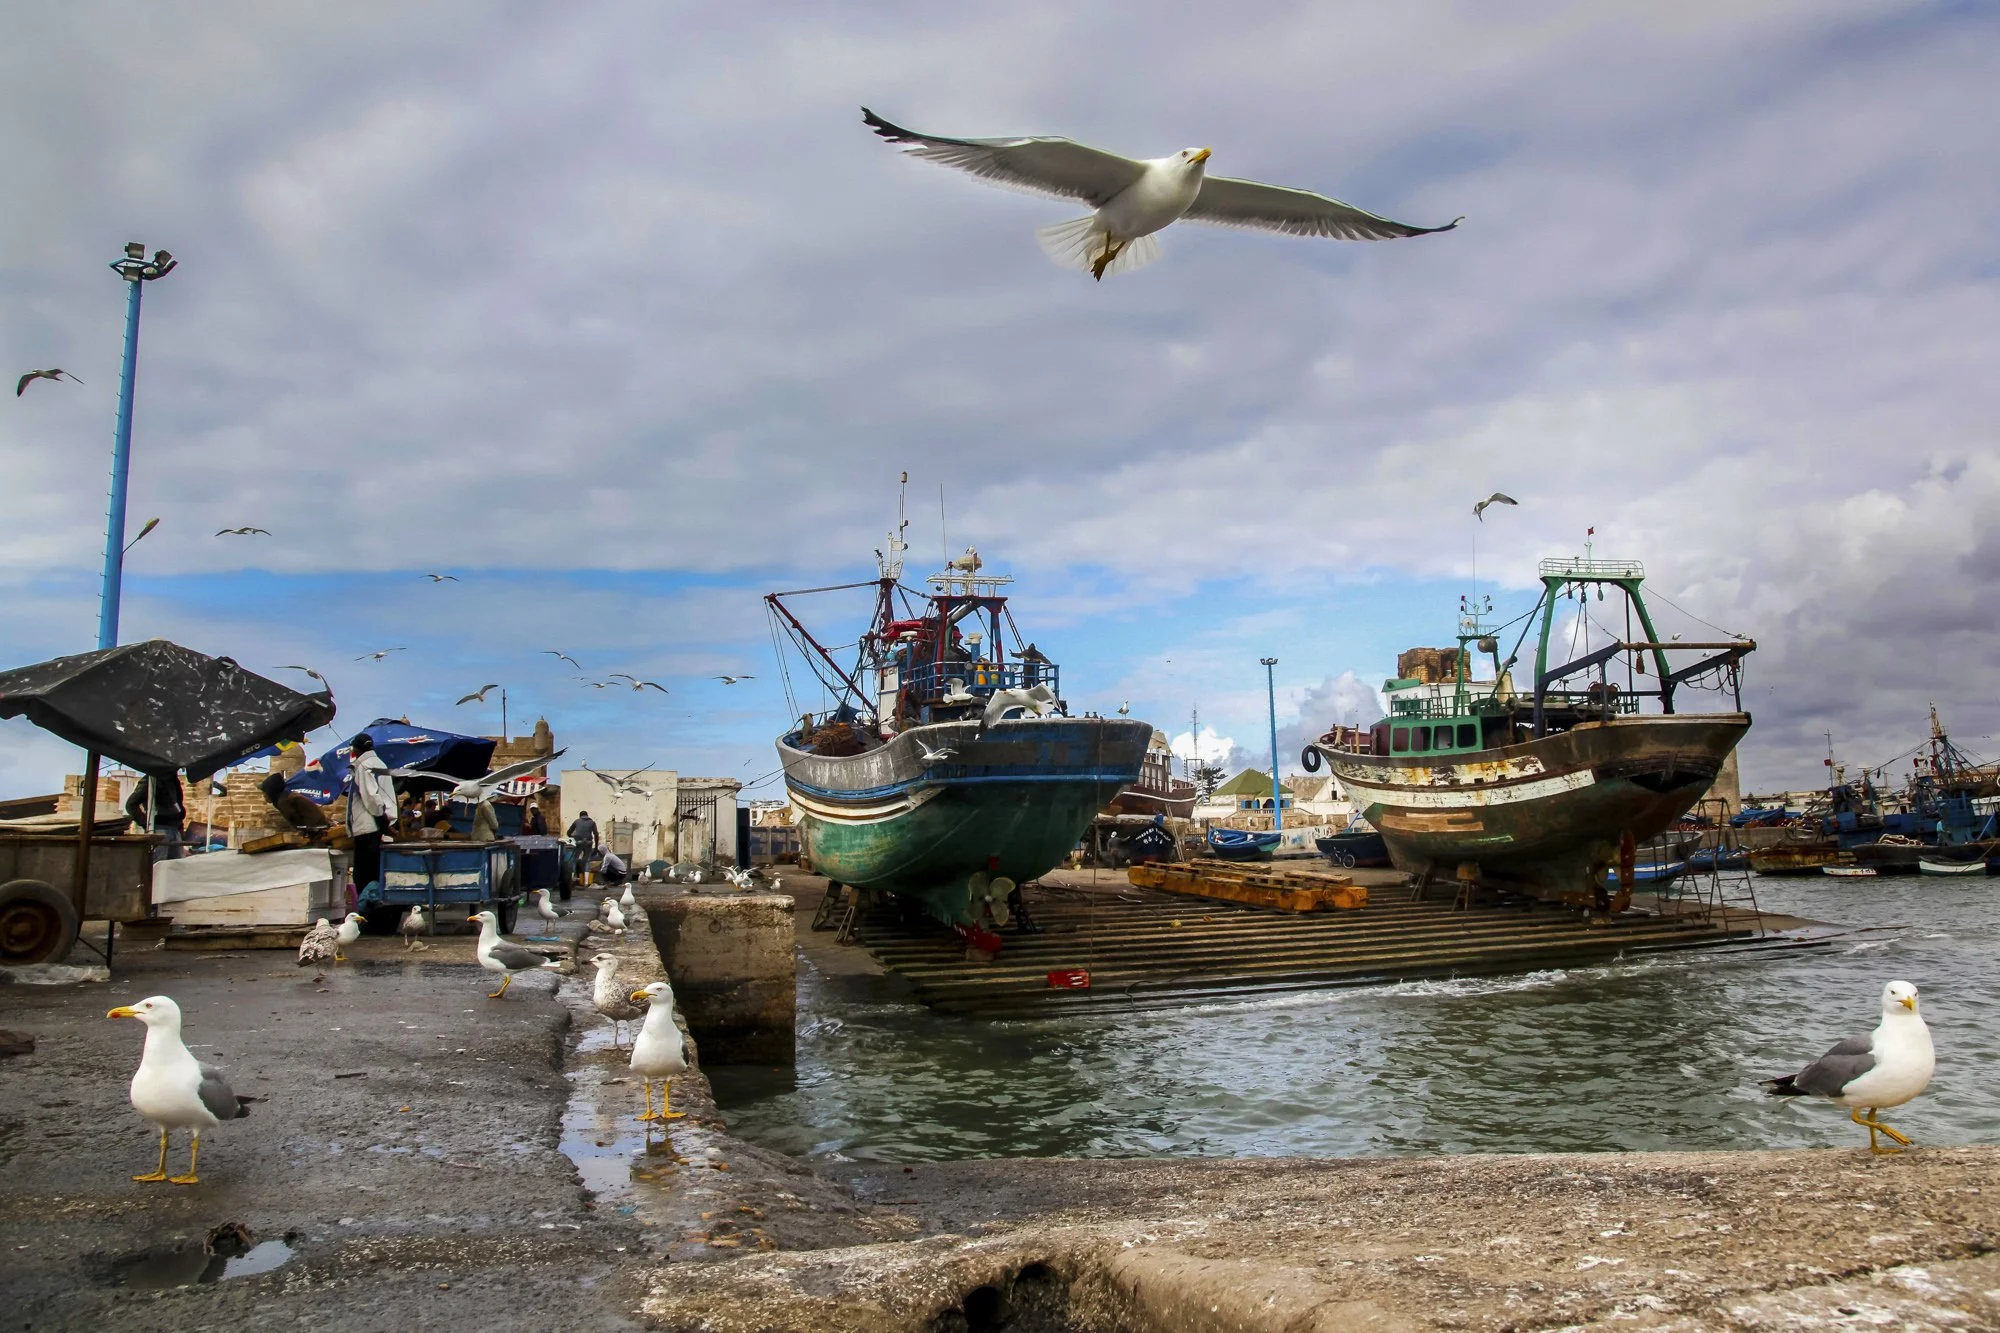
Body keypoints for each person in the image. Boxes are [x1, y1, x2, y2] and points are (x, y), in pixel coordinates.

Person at [345, 733, 398, 896]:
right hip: (376, 826)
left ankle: (366, 906)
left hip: (369, 827)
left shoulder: (364, 766)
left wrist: (381, 820)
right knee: (375, 872)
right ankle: (373, 904)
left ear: (356, 749)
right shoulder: (379, 763)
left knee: (363, 875)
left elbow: (371, 797)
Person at [124, 772, 187, 862]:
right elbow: (131, 805)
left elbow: (178, 807)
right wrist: (147, 824)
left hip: (175, 829)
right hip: (159, 829)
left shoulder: (173, 780)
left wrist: (180, 829)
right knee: (158, 864)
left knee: (176, 865)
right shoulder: (151, 779)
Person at [259, 770, 329, 834]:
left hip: (315, 827)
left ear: (271, 793)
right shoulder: (285, 795)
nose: (264, 796)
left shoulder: (283, 801)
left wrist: (302, 832)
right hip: (318, 825)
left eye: (265, 793)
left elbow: (294, 818)